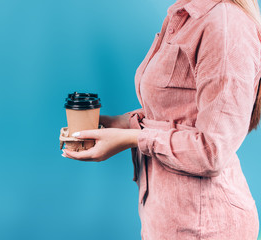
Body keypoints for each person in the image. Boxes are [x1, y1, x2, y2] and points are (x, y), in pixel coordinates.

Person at [62, 0, 261, 238]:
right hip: (165, 218)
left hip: (204, 227)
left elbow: (212, 151)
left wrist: (131, 138)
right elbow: (172, 111)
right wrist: (116, 124)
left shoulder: (226, 24)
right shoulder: (183, 14)